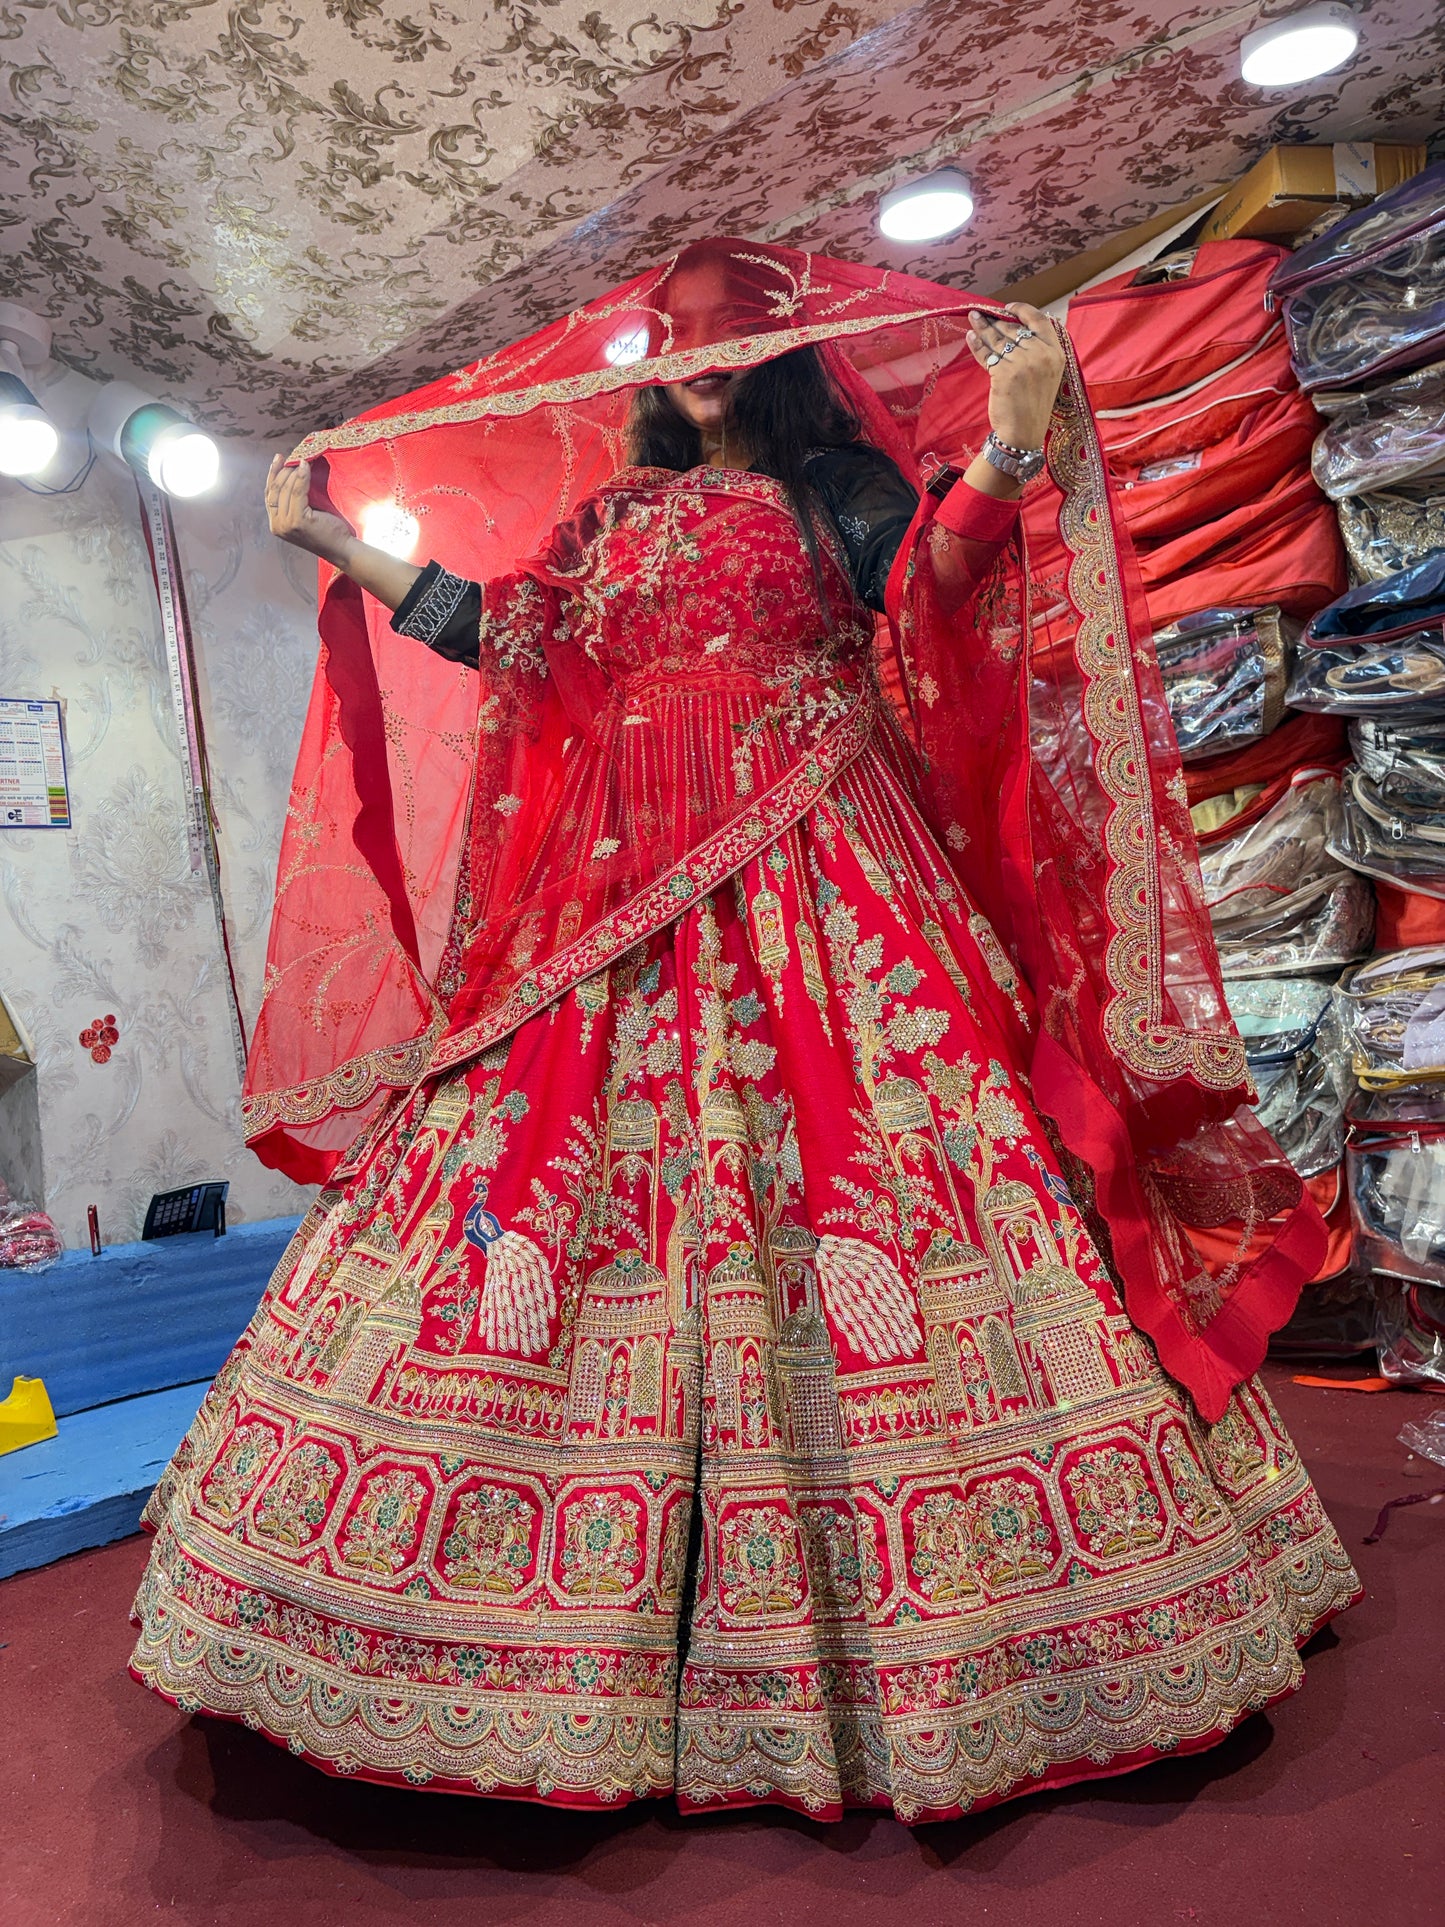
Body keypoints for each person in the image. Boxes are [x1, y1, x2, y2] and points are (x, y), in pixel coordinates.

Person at [130, 240, 1357, 1823]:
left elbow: (927, 601)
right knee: (528, 1186)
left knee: (884, 1172)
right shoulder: (607, 518)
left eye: (727, 338)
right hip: (605, 891)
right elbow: (505, 638)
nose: (699, 363)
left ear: (776, 350)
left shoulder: (832, 488)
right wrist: (322, 536)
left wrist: (1006, 445)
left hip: (825, 868)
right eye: (677, 343)